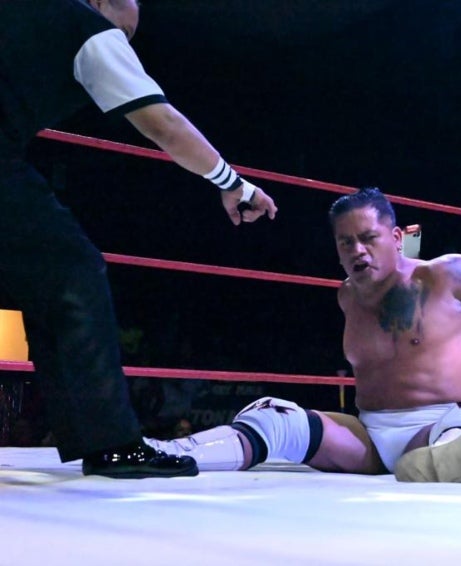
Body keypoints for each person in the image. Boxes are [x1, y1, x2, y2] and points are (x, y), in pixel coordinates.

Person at [147, 187, 461, 482]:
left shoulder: (445, 276)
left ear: (395, 239)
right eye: (346, 243)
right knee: (273, 418)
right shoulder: (346, 296)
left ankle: (451, 454)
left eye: (368, 238)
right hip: (370, 438)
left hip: (437, 422)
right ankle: (173, 455)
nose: (357, 251)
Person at [0, 0, 278, 478]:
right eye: (126, 34)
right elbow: (163, 124)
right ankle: (110, 444)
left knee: (53, 274)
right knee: (72, 275)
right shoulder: (88, 28)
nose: (126, 44)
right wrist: (233, 182)